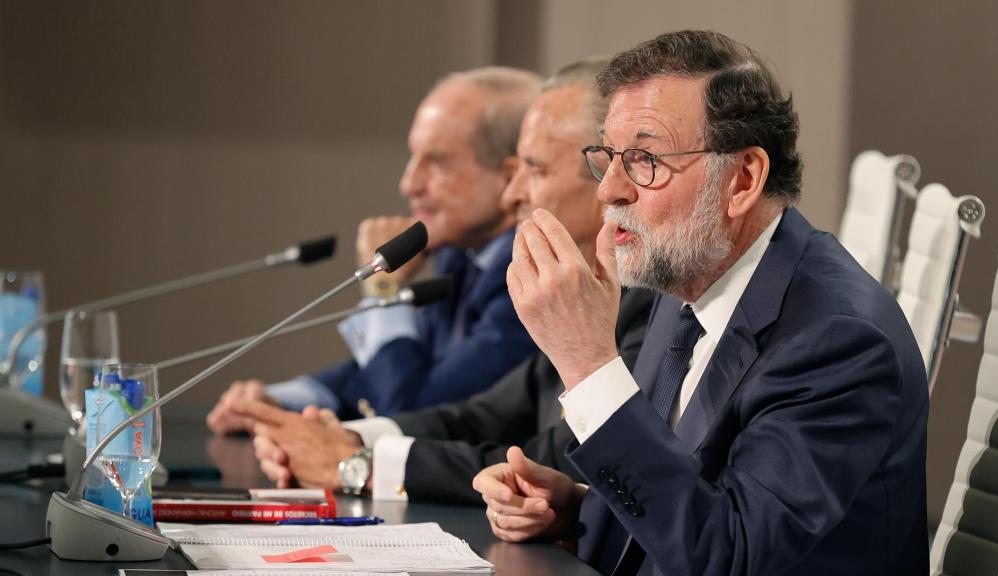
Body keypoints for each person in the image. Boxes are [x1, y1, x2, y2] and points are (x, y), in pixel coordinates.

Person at [472, 31, 929, 575]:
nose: (609, 190)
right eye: (610, 156)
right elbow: (688, 500)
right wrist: (575, 510)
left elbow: (731, 555)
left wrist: (588, 364)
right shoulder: (690, 280)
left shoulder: (838, 340)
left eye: (644, 159)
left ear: (742, 179)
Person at [231, 58, 656, 504]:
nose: (513, 195)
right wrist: (332, 439)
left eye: (534, 170)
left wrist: (356, 463)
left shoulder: (639, 301)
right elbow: (477, 416)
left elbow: (557, 458)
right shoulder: (464, 264)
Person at [207, 67, 542, 433]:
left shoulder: (530, 275)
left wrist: (384, 287)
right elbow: (392, 370)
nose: (409, 183)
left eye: (437, 162)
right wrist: (283, 402)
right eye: (413, 158)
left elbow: (408, 410)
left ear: (509, 177)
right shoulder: (460, 258)